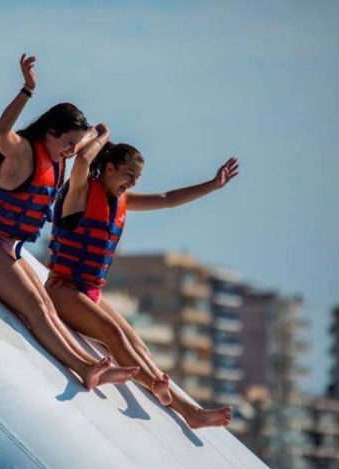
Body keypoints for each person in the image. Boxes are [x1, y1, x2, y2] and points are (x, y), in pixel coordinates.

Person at [0, 54, 138, 390]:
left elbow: (84, 143)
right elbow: (1, 130)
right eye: (66, 143)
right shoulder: (23, 152)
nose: (69, 151)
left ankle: (89, 365)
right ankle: (85, 369)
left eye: (73, 145)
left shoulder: (57, 156)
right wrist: (27, 89)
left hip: (8, 247)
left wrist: (100, 134)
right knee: (36, 308)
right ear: (50, 134)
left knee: (47, 308)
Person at [45, 127, 239, 428]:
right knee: (115, 335)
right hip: (64, 290)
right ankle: (174, 399)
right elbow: (83, 158)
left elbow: (169, 198)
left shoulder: (123, 201)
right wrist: (100, 136)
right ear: (109, 168)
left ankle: (188, 408)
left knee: (140, 346)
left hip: (90, 292)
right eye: (129, 176)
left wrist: (212, 185)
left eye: (137, 179)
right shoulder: (81, 191)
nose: (133, 183)